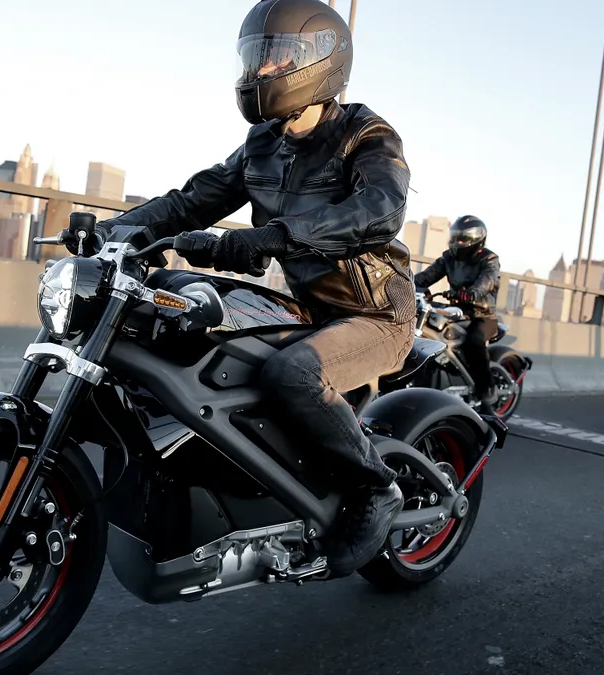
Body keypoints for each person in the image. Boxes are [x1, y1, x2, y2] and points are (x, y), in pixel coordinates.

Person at [81, 0, 417, 577]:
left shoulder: (366, 134)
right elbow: (191, 200)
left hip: (375, 312)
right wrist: (114, 230)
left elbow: (379, 209)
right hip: (305, 305)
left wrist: (271, 238)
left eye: (276, 59)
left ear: (321, 63)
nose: (260, 71)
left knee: (292, 375)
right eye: (255, 58)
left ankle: (374, 486)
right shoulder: (262, 144)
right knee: (171, 307)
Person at [412, 216, 501, 408]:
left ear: (476, 239)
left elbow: (488, 280)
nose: (457, 243)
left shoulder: (489, 259)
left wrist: (472, 294)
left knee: (474, 341)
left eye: (462, 239)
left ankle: (487, 390)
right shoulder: (449, 257)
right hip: (456, 309)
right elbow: (427, 276)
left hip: (482, 314)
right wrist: (407, 283)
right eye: (454, 238)